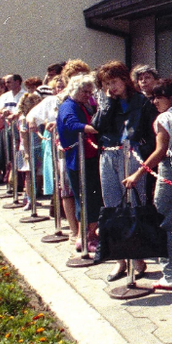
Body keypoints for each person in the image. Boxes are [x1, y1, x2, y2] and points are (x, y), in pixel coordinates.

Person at [94, 60, 158, 281]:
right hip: (108, 154)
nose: (111, 87)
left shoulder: (141, 101)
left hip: (132, 155)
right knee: (112, 206)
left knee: (134, 206)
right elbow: (98, 126)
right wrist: (107, 104)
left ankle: (138, 258)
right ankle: (120, 260)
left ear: (124, 80)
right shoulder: (108, 103)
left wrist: (142, 155)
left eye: (114, 82)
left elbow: (151, 133)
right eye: (106, 84)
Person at [136, 79, 172, 290]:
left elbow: (160, 150)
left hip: (169, 167)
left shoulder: (164, 118)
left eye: (158, 97)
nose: (154, 102)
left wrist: (138, 172)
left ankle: (169, 274)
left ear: (171, 98)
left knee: (162, 221)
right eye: (152, 97)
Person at [57, 73, 103, 253]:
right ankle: (86, 238)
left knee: (89, 198)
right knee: (86, 198)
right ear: (75, 90)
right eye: (85, 91)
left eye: (89, 92)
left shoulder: (79, 104)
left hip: (87, 156)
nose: (88, 95)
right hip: (79, 159)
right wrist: (96, 129)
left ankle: (86, 236)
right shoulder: (68, 106)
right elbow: (71, 124)